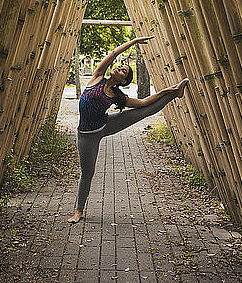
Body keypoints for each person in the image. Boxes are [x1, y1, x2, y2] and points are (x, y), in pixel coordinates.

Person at [68, 36, 189, 223]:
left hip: (105, 125)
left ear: (123, 81)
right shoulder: (98, 76)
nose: (119, 68)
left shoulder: (117, 96)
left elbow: (143, 103)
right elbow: (114, 53)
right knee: (87, 172)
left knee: (142, 112)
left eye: (124, 71)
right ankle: (79, 211)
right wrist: (134, 41)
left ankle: (175, 94)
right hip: (87, 136)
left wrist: (166, 91)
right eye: (120, 67)